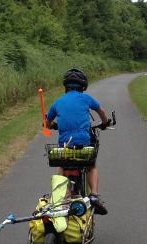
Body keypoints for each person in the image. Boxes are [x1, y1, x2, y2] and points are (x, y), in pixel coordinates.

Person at [46, 68, 110, 215]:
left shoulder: (57, 102)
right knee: (91, 165)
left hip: (65, 145)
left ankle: (63, 197)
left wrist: (52, 124)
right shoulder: (86, 98)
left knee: (62, 167)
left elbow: (47, 124)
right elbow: (101, 111)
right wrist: (105, 123)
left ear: (65, 87)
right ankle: (94, 195)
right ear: (83, 86)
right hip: (83, 143)